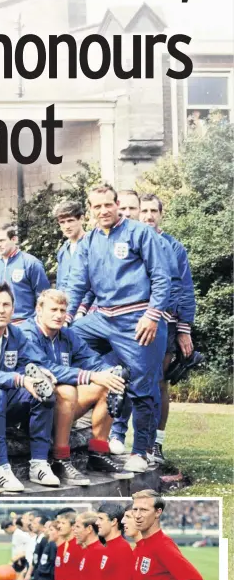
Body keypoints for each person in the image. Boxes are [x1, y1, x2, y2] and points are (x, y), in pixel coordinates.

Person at [66, 183, 171, 473]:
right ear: (90, 211)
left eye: (108, 204)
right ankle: (67, 413)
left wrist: (152, 315)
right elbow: (77, 283)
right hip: (103, 318)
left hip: (137, 317)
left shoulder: (140, 233)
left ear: (117, 204)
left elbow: (162, 278)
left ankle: (142, 450)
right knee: (67, 339)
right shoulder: (89, 242)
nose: (103, 211)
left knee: (143, 386)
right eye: (97, 207)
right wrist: (65, 318)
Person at [20, 288, 134, 485]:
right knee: (67, 390)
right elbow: (46, 368)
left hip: (63, 406)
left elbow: (91, 358)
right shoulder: (27, 333)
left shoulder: (67, 335)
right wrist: (91, 376)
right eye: (53, 309)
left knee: (109, 385)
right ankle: (60, 458)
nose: (58, 315)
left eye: (63, 310)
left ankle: (98, 452)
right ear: (39, 310)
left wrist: (112, 373)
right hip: (31, 409)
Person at [0, 283, 59, 492]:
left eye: (6, 304)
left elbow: (29, 361)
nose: (1, 309)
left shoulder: (15, 334)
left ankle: (39, 463)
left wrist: (42, 373)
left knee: (42, 391)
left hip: (6, 397)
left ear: (13, 309)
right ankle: (1, 467)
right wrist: (19, 379)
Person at [139, 194, 196, 463]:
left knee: (158, 381)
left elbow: (184, 289)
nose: (148, 216)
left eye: (153, 211)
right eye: (144, 211)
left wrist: (183, 329)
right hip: (134, 322)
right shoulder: (133, 241)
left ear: (161, 214)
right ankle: (135, 445)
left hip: (165, 323)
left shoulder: (173, 246)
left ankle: (157, 444)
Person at [0, 223, 49, 322]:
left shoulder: (31, 263)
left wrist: (35, 321)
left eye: (2, 240)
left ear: (14, 240)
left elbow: (43, 297)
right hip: (0, 324)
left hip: (25, 323)